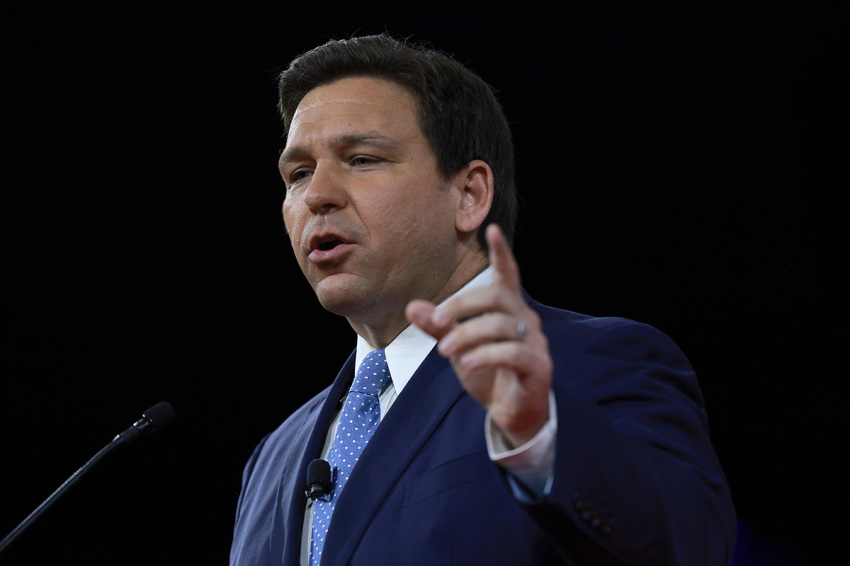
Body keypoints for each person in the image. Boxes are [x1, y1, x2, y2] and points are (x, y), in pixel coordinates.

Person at [230, 33, 736, 566]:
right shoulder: (275, 456)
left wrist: (540, 435)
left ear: (469, 195)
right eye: (299, 173)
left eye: (361, 159)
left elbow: (688, 547)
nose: (316, 195)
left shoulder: (592, 366)